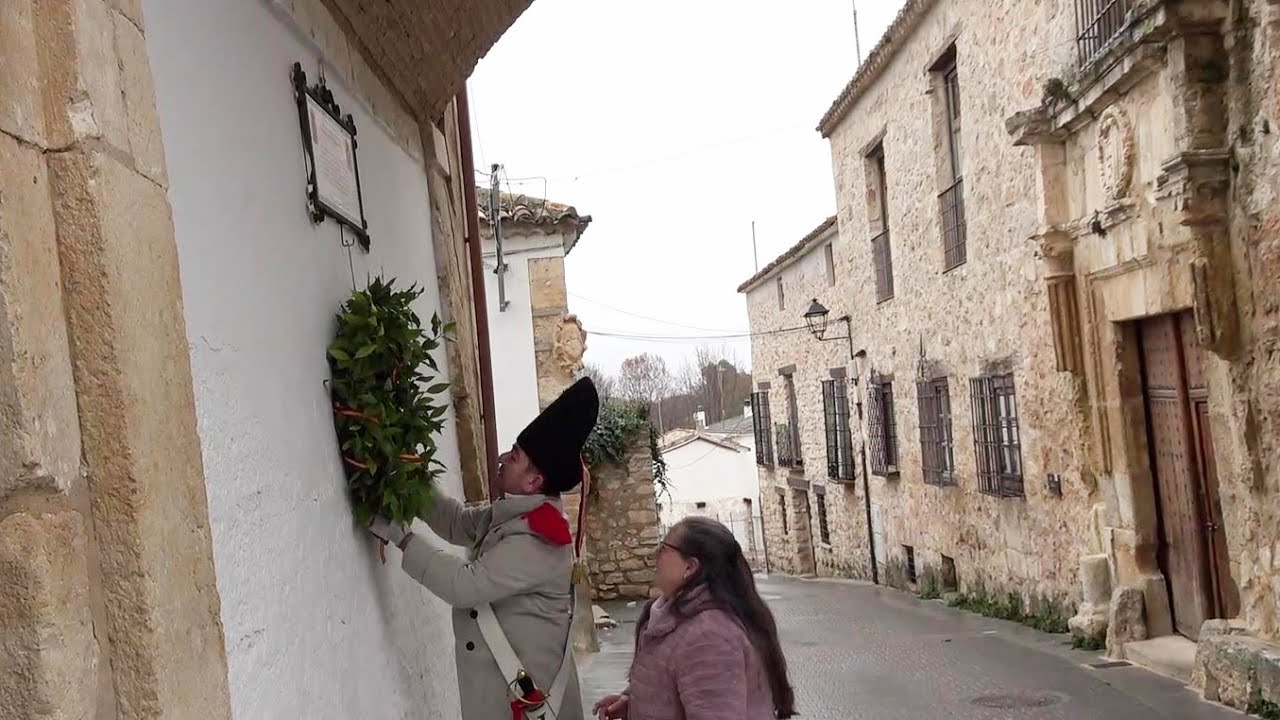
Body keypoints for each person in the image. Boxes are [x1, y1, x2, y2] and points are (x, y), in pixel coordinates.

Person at [369, 377, 599, 720]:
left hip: (526, 707)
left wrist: (403, 539)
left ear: (534, 481)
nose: (504, 457)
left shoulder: (539, 539)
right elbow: (458, 522)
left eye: (516, 455)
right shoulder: (518, 514)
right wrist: (409, 471)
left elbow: (466, 585)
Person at [592, 516, 796, 720]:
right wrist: (636, 703)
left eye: (664, 548)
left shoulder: (709, 636)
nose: (655, 556)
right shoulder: (673, 617)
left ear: (690, 567)